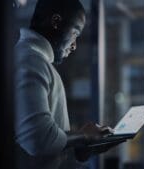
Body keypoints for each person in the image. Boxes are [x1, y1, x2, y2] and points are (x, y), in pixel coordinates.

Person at [14, 0, 124, 169]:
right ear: (56, 22)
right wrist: (83, 136)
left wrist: (80, 147)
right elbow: (38, 139)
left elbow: (44, 145)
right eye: (75, 33)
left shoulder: (34, 60)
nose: (74, 46)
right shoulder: (31, 61)